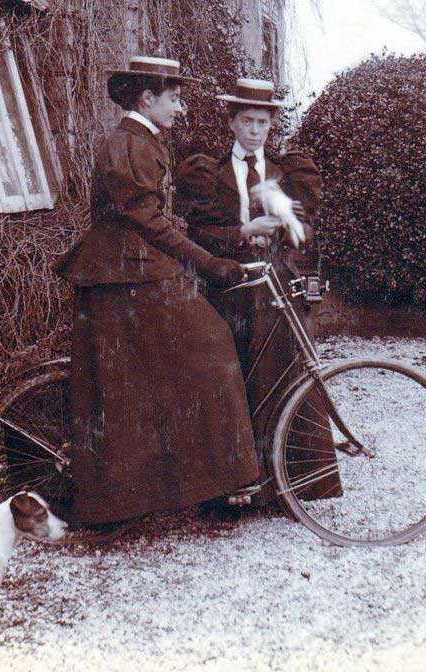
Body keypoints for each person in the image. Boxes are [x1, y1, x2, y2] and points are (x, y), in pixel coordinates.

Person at [53, 57, 266, 524]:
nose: (182, 108)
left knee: (152, 380)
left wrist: (213, 244)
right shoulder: (127, 144)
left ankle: (189, 486)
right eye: (175, 98)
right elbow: (145, 220)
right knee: (211, 345)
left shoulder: (139, 141)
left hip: (135, 272)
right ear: (147, 98)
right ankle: (215, 486)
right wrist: (208, 263)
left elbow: (156, 218)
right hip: (125, 275)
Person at [176, 78, 342, 505]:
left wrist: (286, 225)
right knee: (231, 380)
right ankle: (230, 488)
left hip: (276, 287)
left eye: (262, 123)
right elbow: (197, 233)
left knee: (283, 376)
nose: (254, 130)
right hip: (228, 288)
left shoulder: (289, 174)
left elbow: (306, 232)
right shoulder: (207, 172)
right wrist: (241, 233)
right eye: (246, 121)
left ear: (271, 127)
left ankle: (285, 486)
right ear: (232, 123)